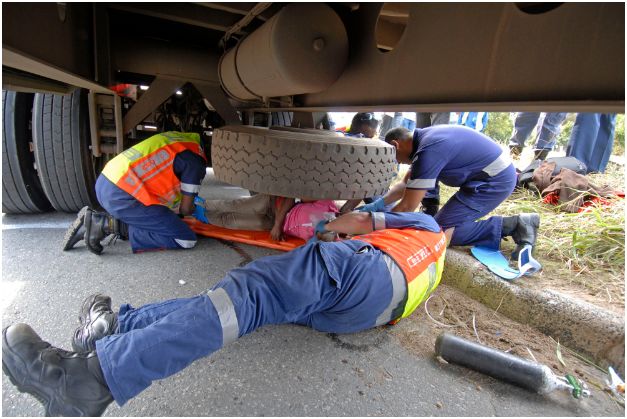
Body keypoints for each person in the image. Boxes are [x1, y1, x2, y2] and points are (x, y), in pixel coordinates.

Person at [2, 210, 447, 416]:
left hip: (363, 272)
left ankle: (87, 381)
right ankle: (116, 328)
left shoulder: (421, 223)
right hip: (363, 314)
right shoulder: (435, 258)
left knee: (252, 291)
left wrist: (326, 230)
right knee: (244, 307)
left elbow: (359, 225)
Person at [366, 125, 539, 260]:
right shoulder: (425, 140)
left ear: (395, 145)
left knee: (437, 232)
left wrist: (372, 229)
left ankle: (515, 225)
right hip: (483, 176)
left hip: (495, 181)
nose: (399, 163)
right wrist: (377, 205)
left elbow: (406, 207)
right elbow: (406, 185)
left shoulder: (429, 151)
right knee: (434, 226)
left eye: (393, 157)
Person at [62, 131, 207, 254]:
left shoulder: (179, 141)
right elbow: (186, 210)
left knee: (165, 218)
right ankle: (106, 224)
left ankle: (107, 221)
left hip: (105, 183)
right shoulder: (196, 161)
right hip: (123, 195)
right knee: (185, 238)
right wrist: (192, 213)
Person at [196, 194, 339, 241]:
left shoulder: (327, 238)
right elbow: (291, 195)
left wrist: (277, 227)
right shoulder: (327, 203)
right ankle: (203, 204)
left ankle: (205, 217)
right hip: (274, 204)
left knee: (232, 221)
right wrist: (278, 225)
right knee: (236, 205)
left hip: (270, 226)